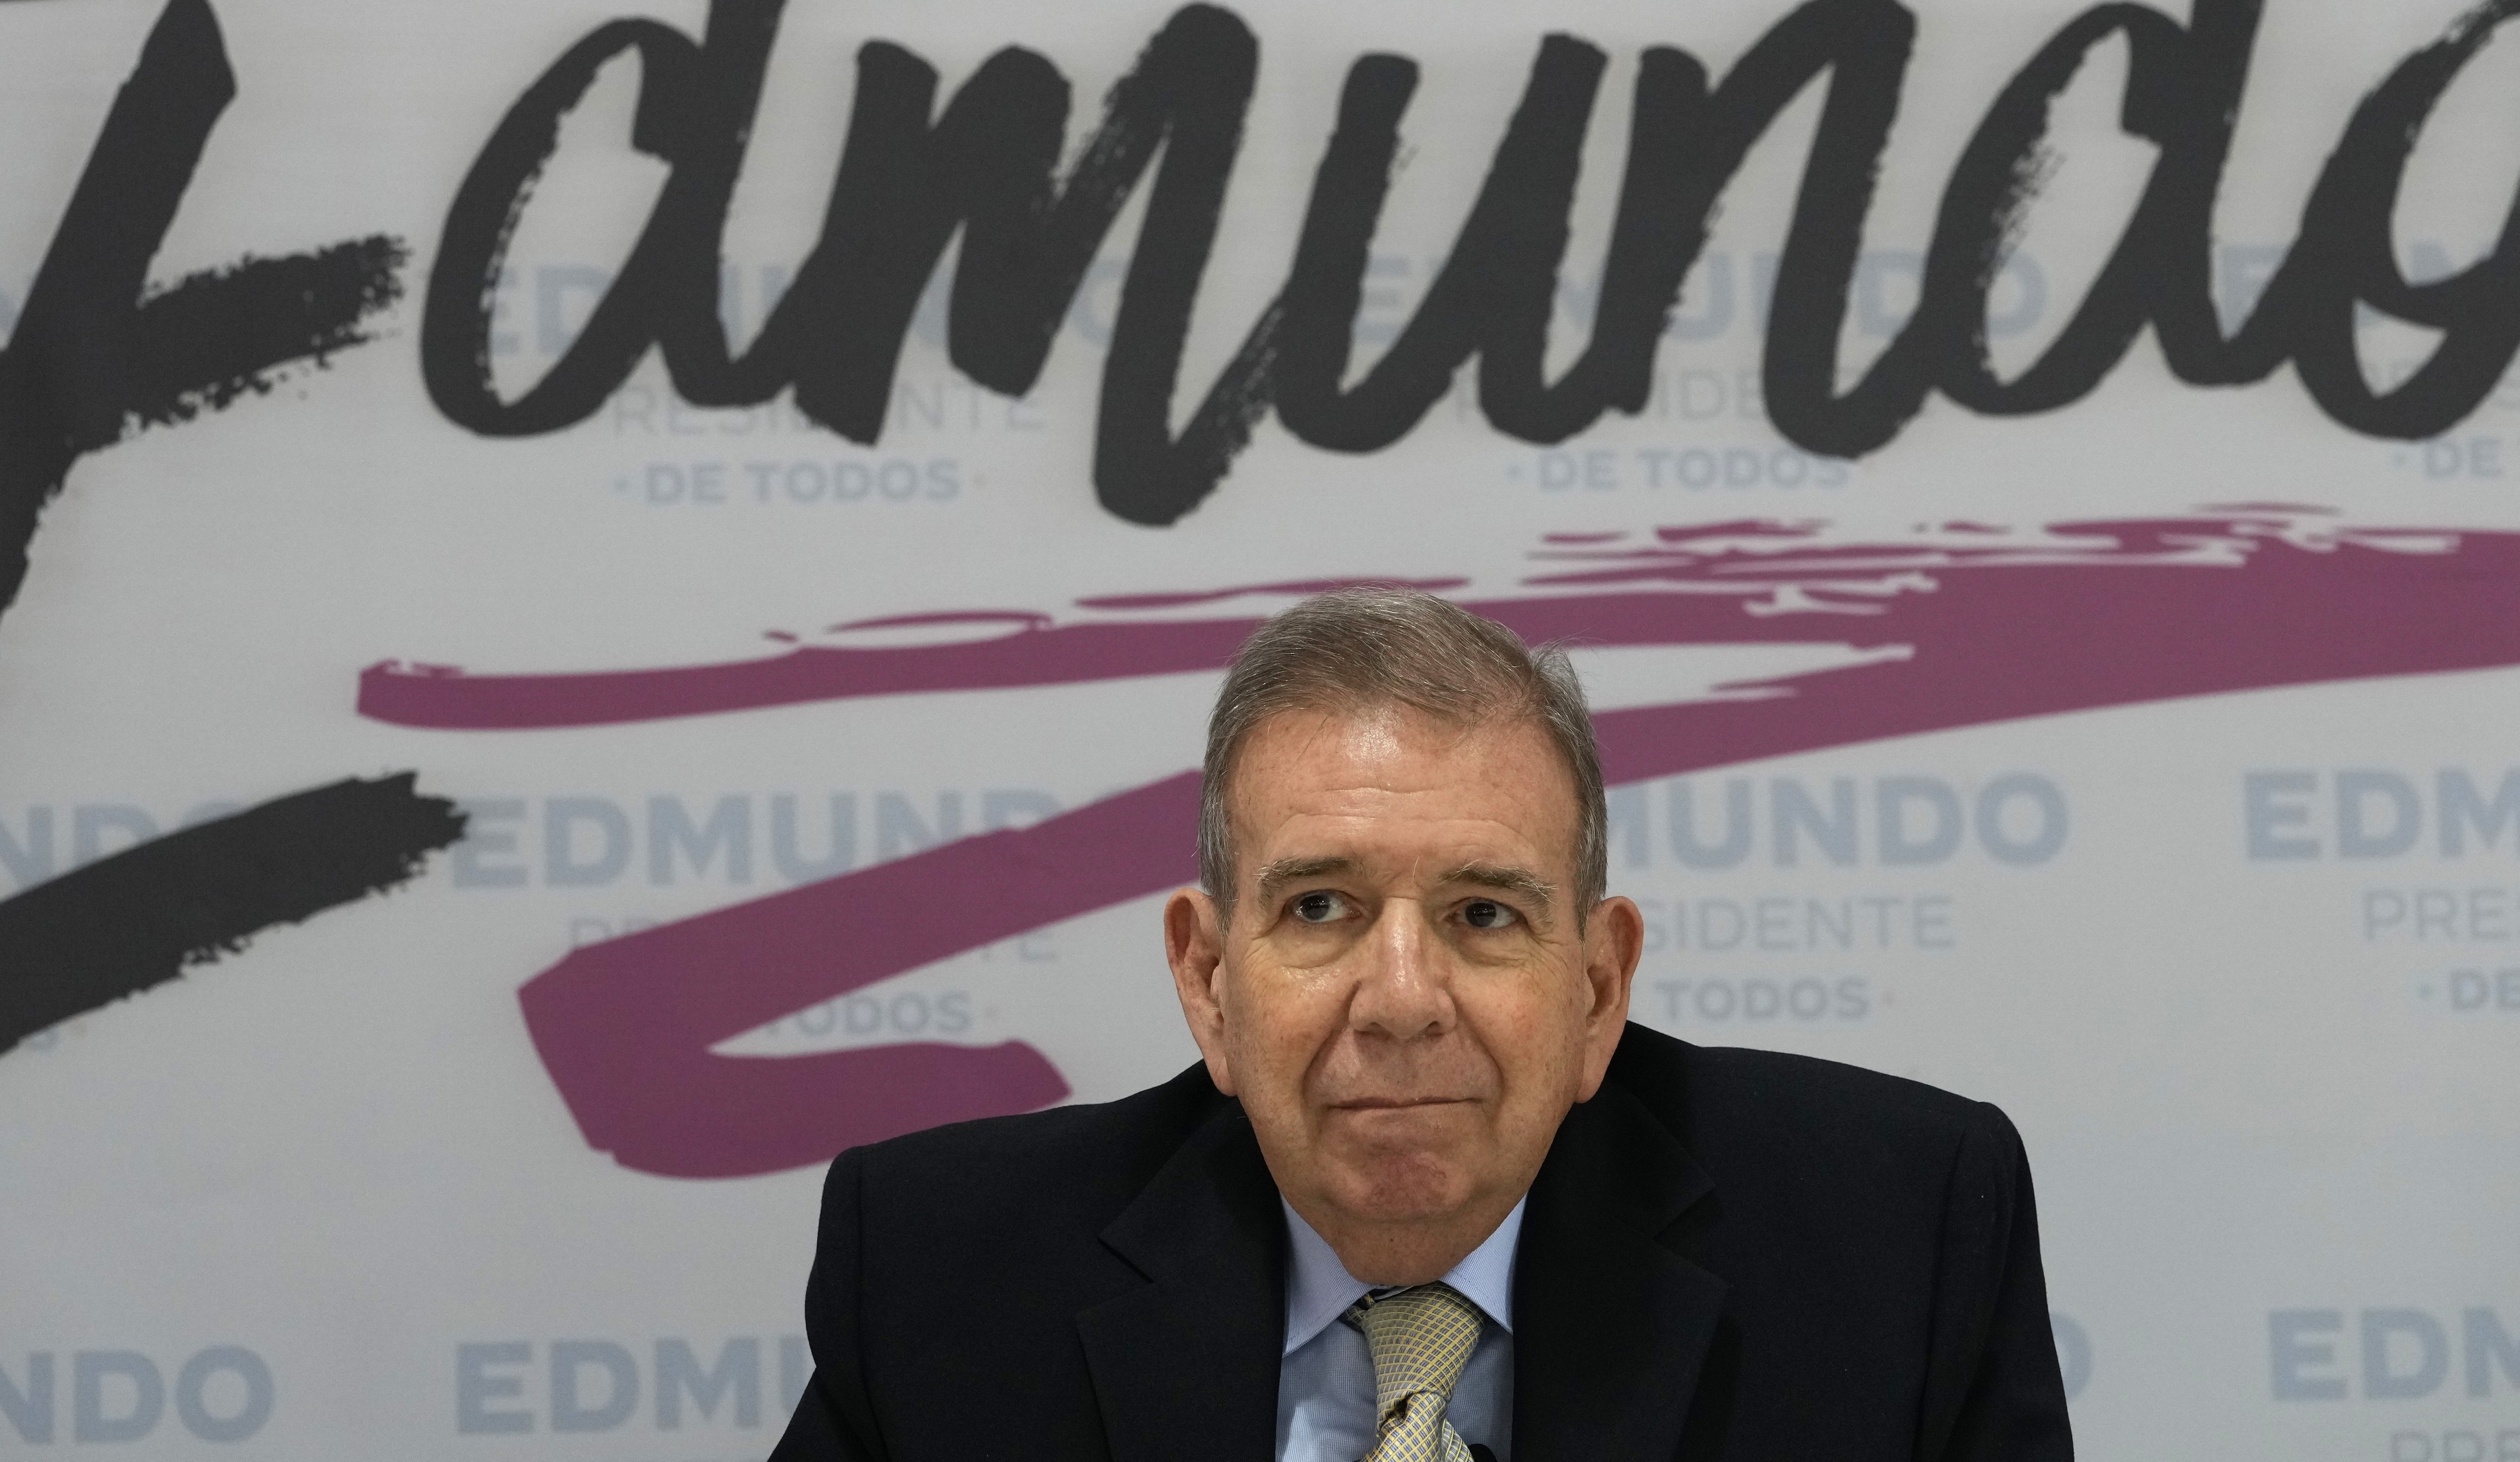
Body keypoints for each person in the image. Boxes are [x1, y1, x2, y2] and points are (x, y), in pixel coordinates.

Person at [770, 588, 2073, 1460]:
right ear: (1208, 978)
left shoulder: (1896, 1247)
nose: (1401, 1000)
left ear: (1599, 988)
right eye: (1323, 905)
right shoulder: (945, 1278)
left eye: (1485, 913)